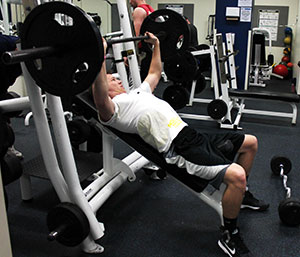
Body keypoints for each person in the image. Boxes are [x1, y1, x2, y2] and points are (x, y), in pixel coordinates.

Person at [92, 32, 269, 257]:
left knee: (251, 142)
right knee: (237, 177)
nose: (117, 78)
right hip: (180, 148)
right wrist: (100, 55)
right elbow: (99, 99)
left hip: (191, 133)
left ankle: (242, 197)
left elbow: (155, 72)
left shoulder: (138, 93)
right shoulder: (114, 110)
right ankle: (229, 234)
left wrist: (156, 45)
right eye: (112, 78)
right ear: (104, 88)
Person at [129, 0, 154, 81]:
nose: (129, 2)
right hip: (149, 51)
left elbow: (135, 37)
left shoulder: (139, 10)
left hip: (140, 54)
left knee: (137, 82)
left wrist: (127, 54)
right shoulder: (150, 9)